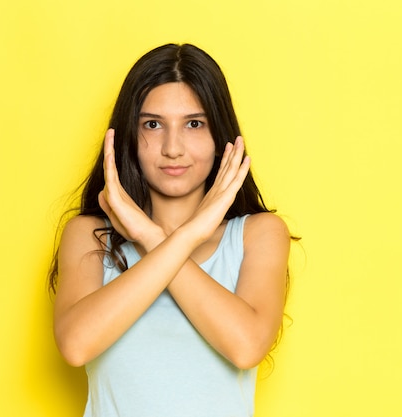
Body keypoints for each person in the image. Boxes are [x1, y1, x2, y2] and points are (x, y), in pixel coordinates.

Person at [48, 43, 293, 417]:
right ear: (129, 135)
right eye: (152, 124)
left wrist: (151, 238)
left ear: (218, 139)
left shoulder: (258, 234)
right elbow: (76, 345)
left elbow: (246, 347)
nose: (172, 148)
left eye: (194, 124)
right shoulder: (89, 235)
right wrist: (183, 239)